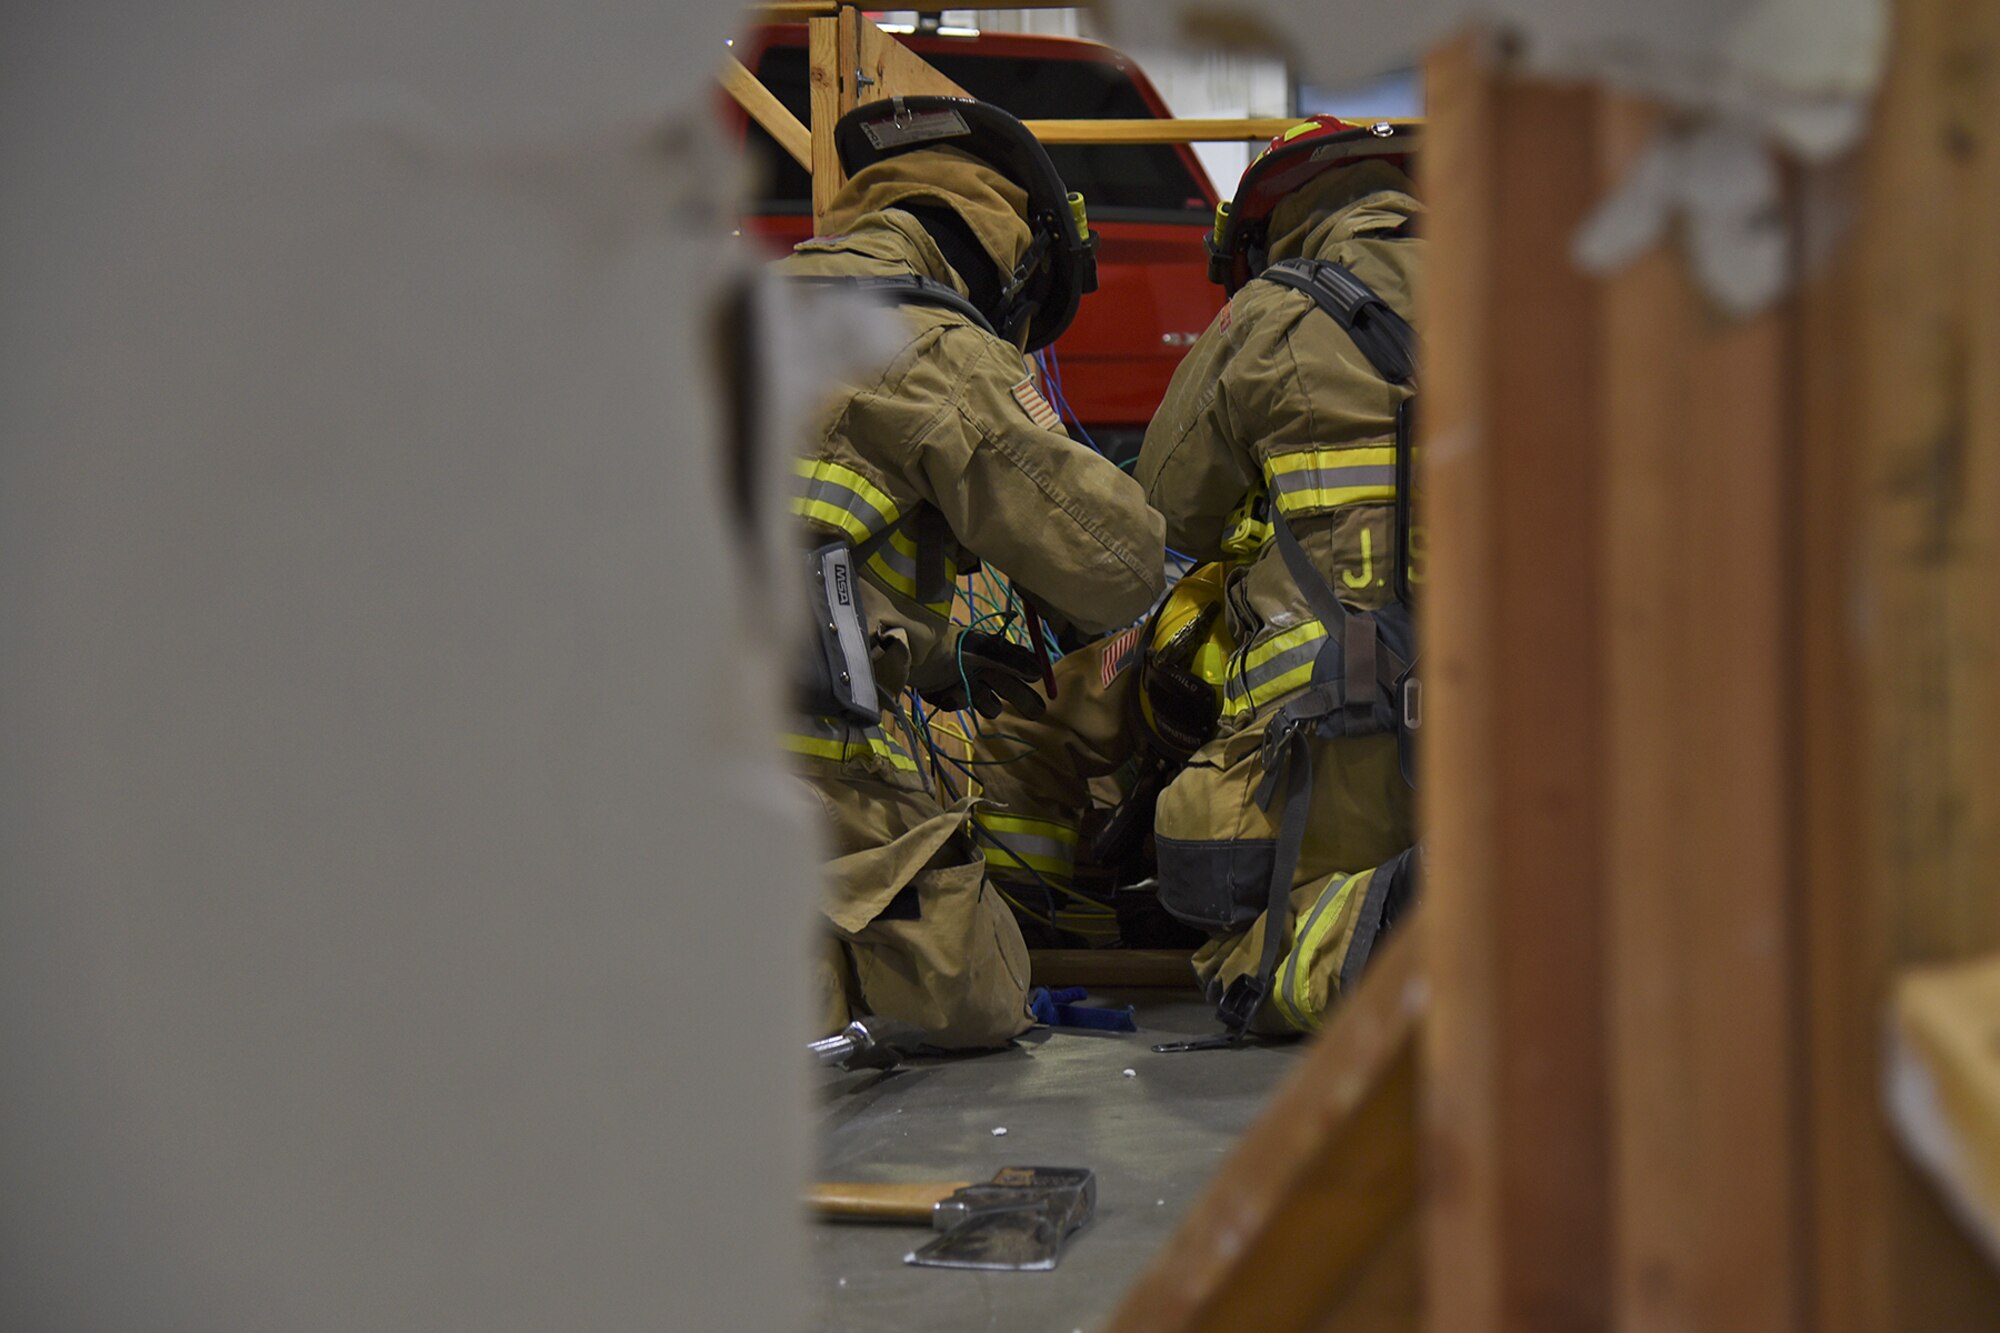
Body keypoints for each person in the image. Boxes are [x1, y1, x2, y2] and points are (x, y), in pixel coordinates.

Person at [969, 117, 1425, 1040]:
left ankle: (1418, 926)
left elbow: (1158, 519)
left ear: (1264, 229)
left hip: (1335, 724)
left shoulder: (1270, 316)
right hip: (1537, 731)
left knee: (1237, 935)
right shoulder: (1545, 299)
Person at [777, 97, 1167, 1049]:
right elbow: (1119, 565)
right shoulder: (932, 345)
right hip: (786, 779)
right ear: (1014, 268)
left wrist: (943, 653)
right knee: (973, 983)